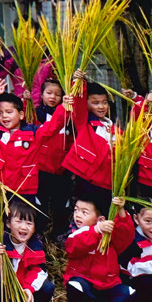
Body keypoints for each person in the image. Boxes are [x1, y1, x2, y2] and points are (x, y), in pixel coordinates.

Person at [63, 193, 133, 302]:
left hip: (108, 284)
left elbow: (125, 235)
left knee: (128, 292)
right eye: (76, 210)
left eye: (84, 212)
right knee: (76, 286)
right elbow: (73, 247)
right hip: (85, 281)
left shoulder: (110, 235)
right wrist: (96, 230)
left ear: (100, 219)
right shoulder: (77, 233)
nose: (78, 215)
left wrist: (121, 211)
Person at [57, 73, 117, 204]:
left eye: (104, 102)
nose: (101, 107)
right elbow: (78, 103)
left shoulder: (114, 129)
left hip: (107, 184)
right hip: (86, 181)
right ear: (87, 103)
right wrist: (79, 82)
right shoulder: (84, 122)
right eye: (95, 103)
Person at [0, 200, 54, 302]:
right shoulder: (1, 243)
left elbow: (38, 271)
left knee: (47, 287)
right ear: (8, 223)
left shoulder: (35, 246)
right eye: (18, 221)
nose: (24, 227)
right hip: (8, 286)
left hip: (25, 287)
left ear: (34, 228)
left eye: (29, 223)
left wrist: (28, 288)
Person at [34, 80, 73, 238]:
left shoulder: (69, 115)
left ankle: (60, 234)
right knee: (40, 203)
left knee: (61, 204)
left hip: (62, 169)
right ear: (41, 94)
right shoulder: (36, 114)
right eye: (49, 93)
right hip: (41, 169)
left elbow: (72, 141)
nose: (53, 97)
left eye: (57, 94)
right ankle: (39, 234)